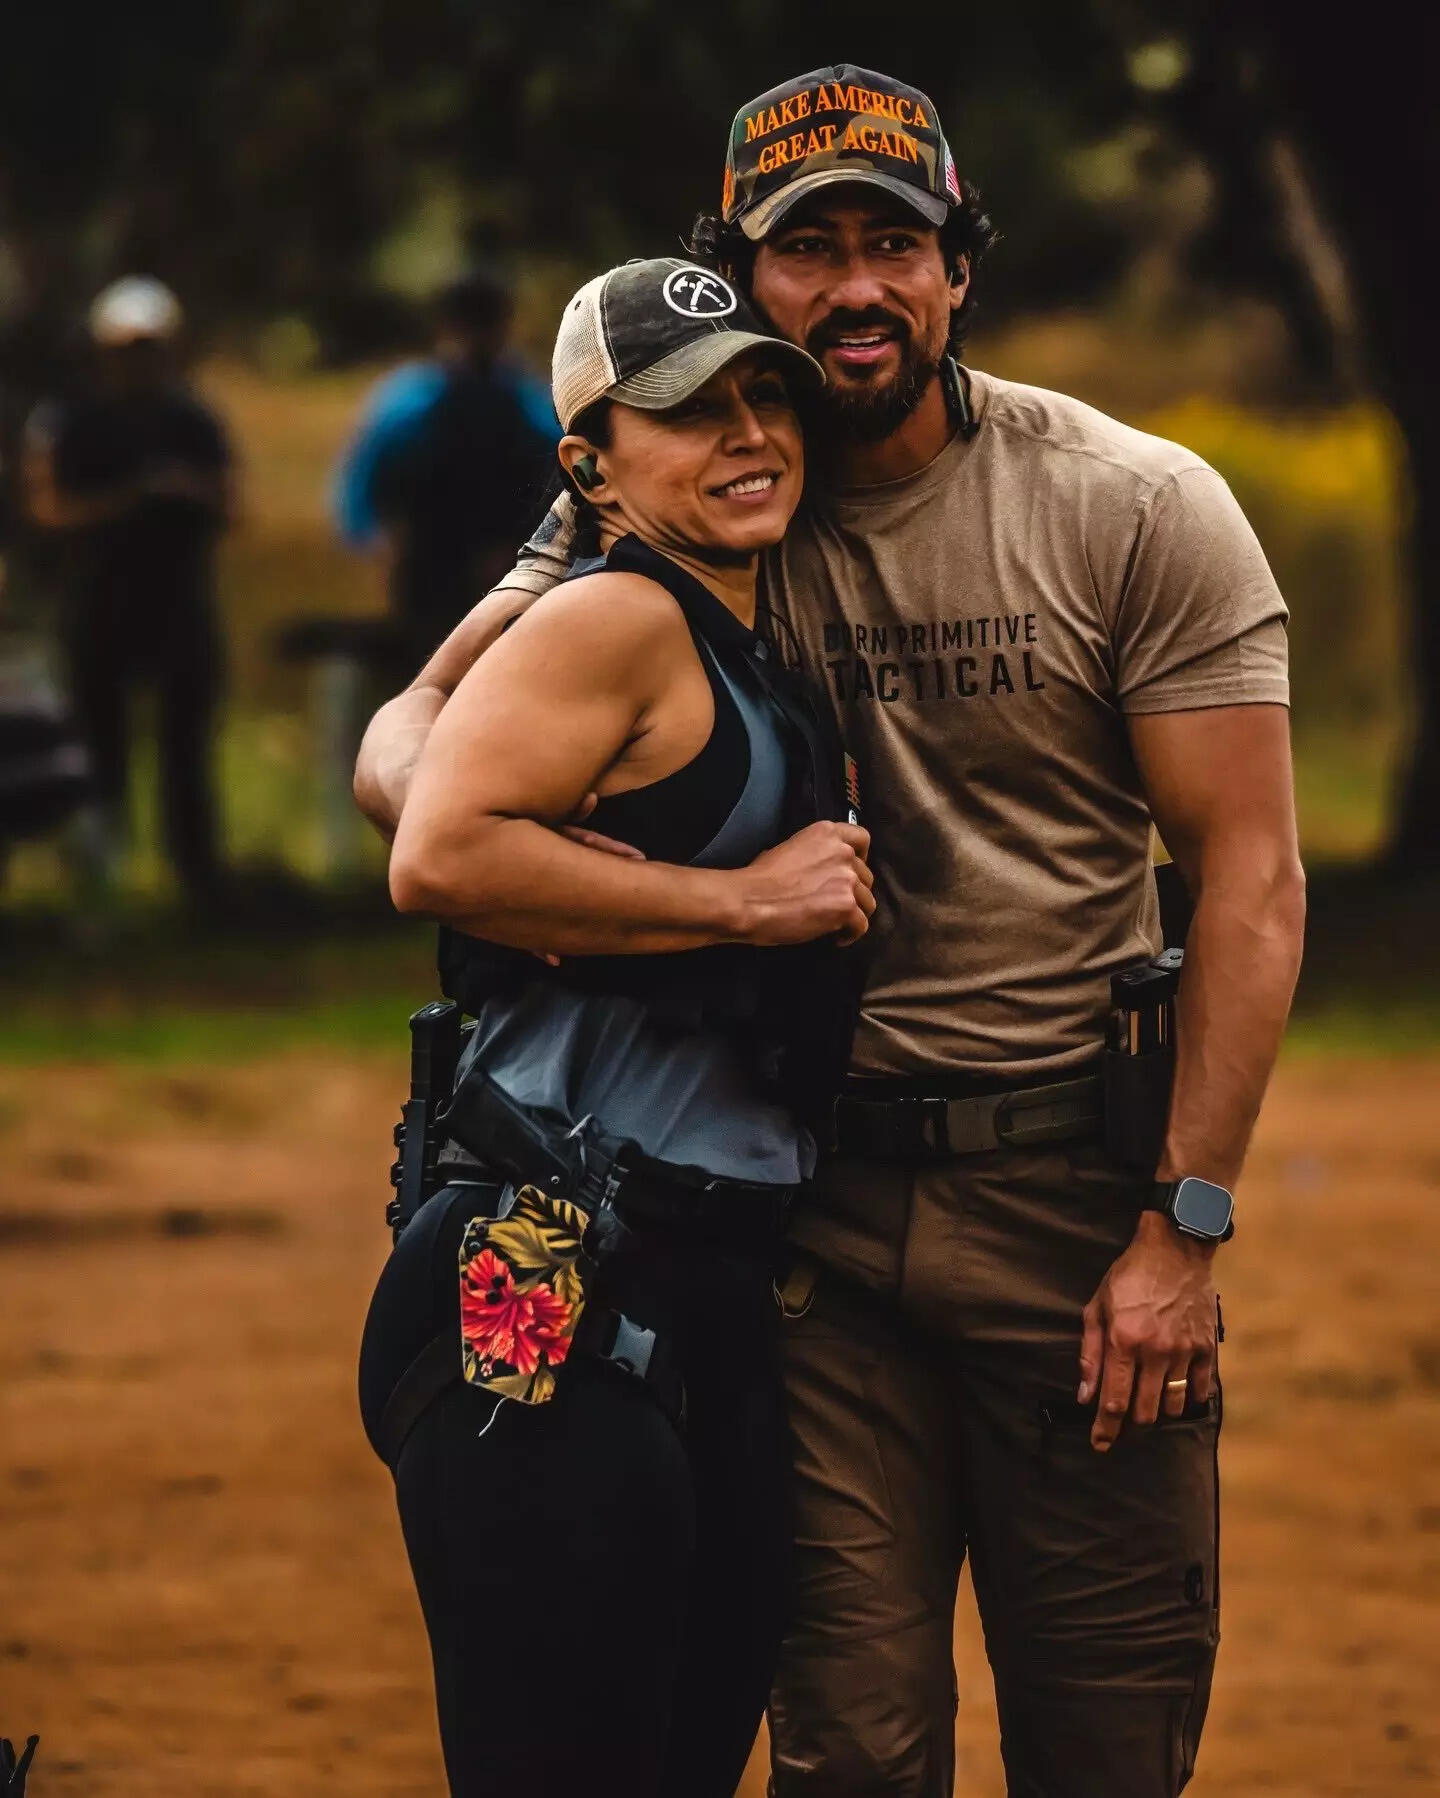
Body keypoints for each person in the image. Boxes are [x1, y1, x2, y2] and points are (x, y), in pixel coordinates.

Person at [356, 65, 1308, 1797]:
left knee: (1109, 1738)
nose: (858, 286)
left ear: (959, 270)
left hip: (1070, 1207)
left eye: (897, 244)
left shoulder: (1131, 504)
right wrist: (541, 856)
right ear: (741, 280)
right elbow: (410, 745)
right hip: (812, 1225)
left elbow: (1250, 874)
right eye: (808, 251)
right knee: (847, 1751)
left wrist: (1184, 1226)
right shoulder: (685, 495)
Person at [357, 257, 874, 1798]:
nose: (747, 433)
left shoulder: (728, 633)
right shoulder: (618, 619)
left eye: (766, 393)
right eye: (690, 411)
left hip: (705, 1276)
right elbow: (439, 852)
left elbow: (415, 742)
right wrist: (750, 903)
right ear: (591, 467)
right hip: (541, 1258)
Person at [23, 276, 233, 901]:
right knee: (97, 748)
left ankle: (196, 880)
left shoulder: (192, 419)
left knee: (185, 750)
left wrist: (183, 493)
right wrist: (131, 501)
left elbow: (230, 501)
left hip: (177, 604)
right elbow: (48, 509)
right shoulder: (70, 420)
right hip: (97, 605)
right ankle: (100, 878)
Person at [332, 270, 559, 671]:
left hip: (498, 559)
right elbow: (363, 482)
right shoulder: (418, 399)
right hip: (434, 558)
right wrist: (374, 538)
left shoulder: (521, 399)